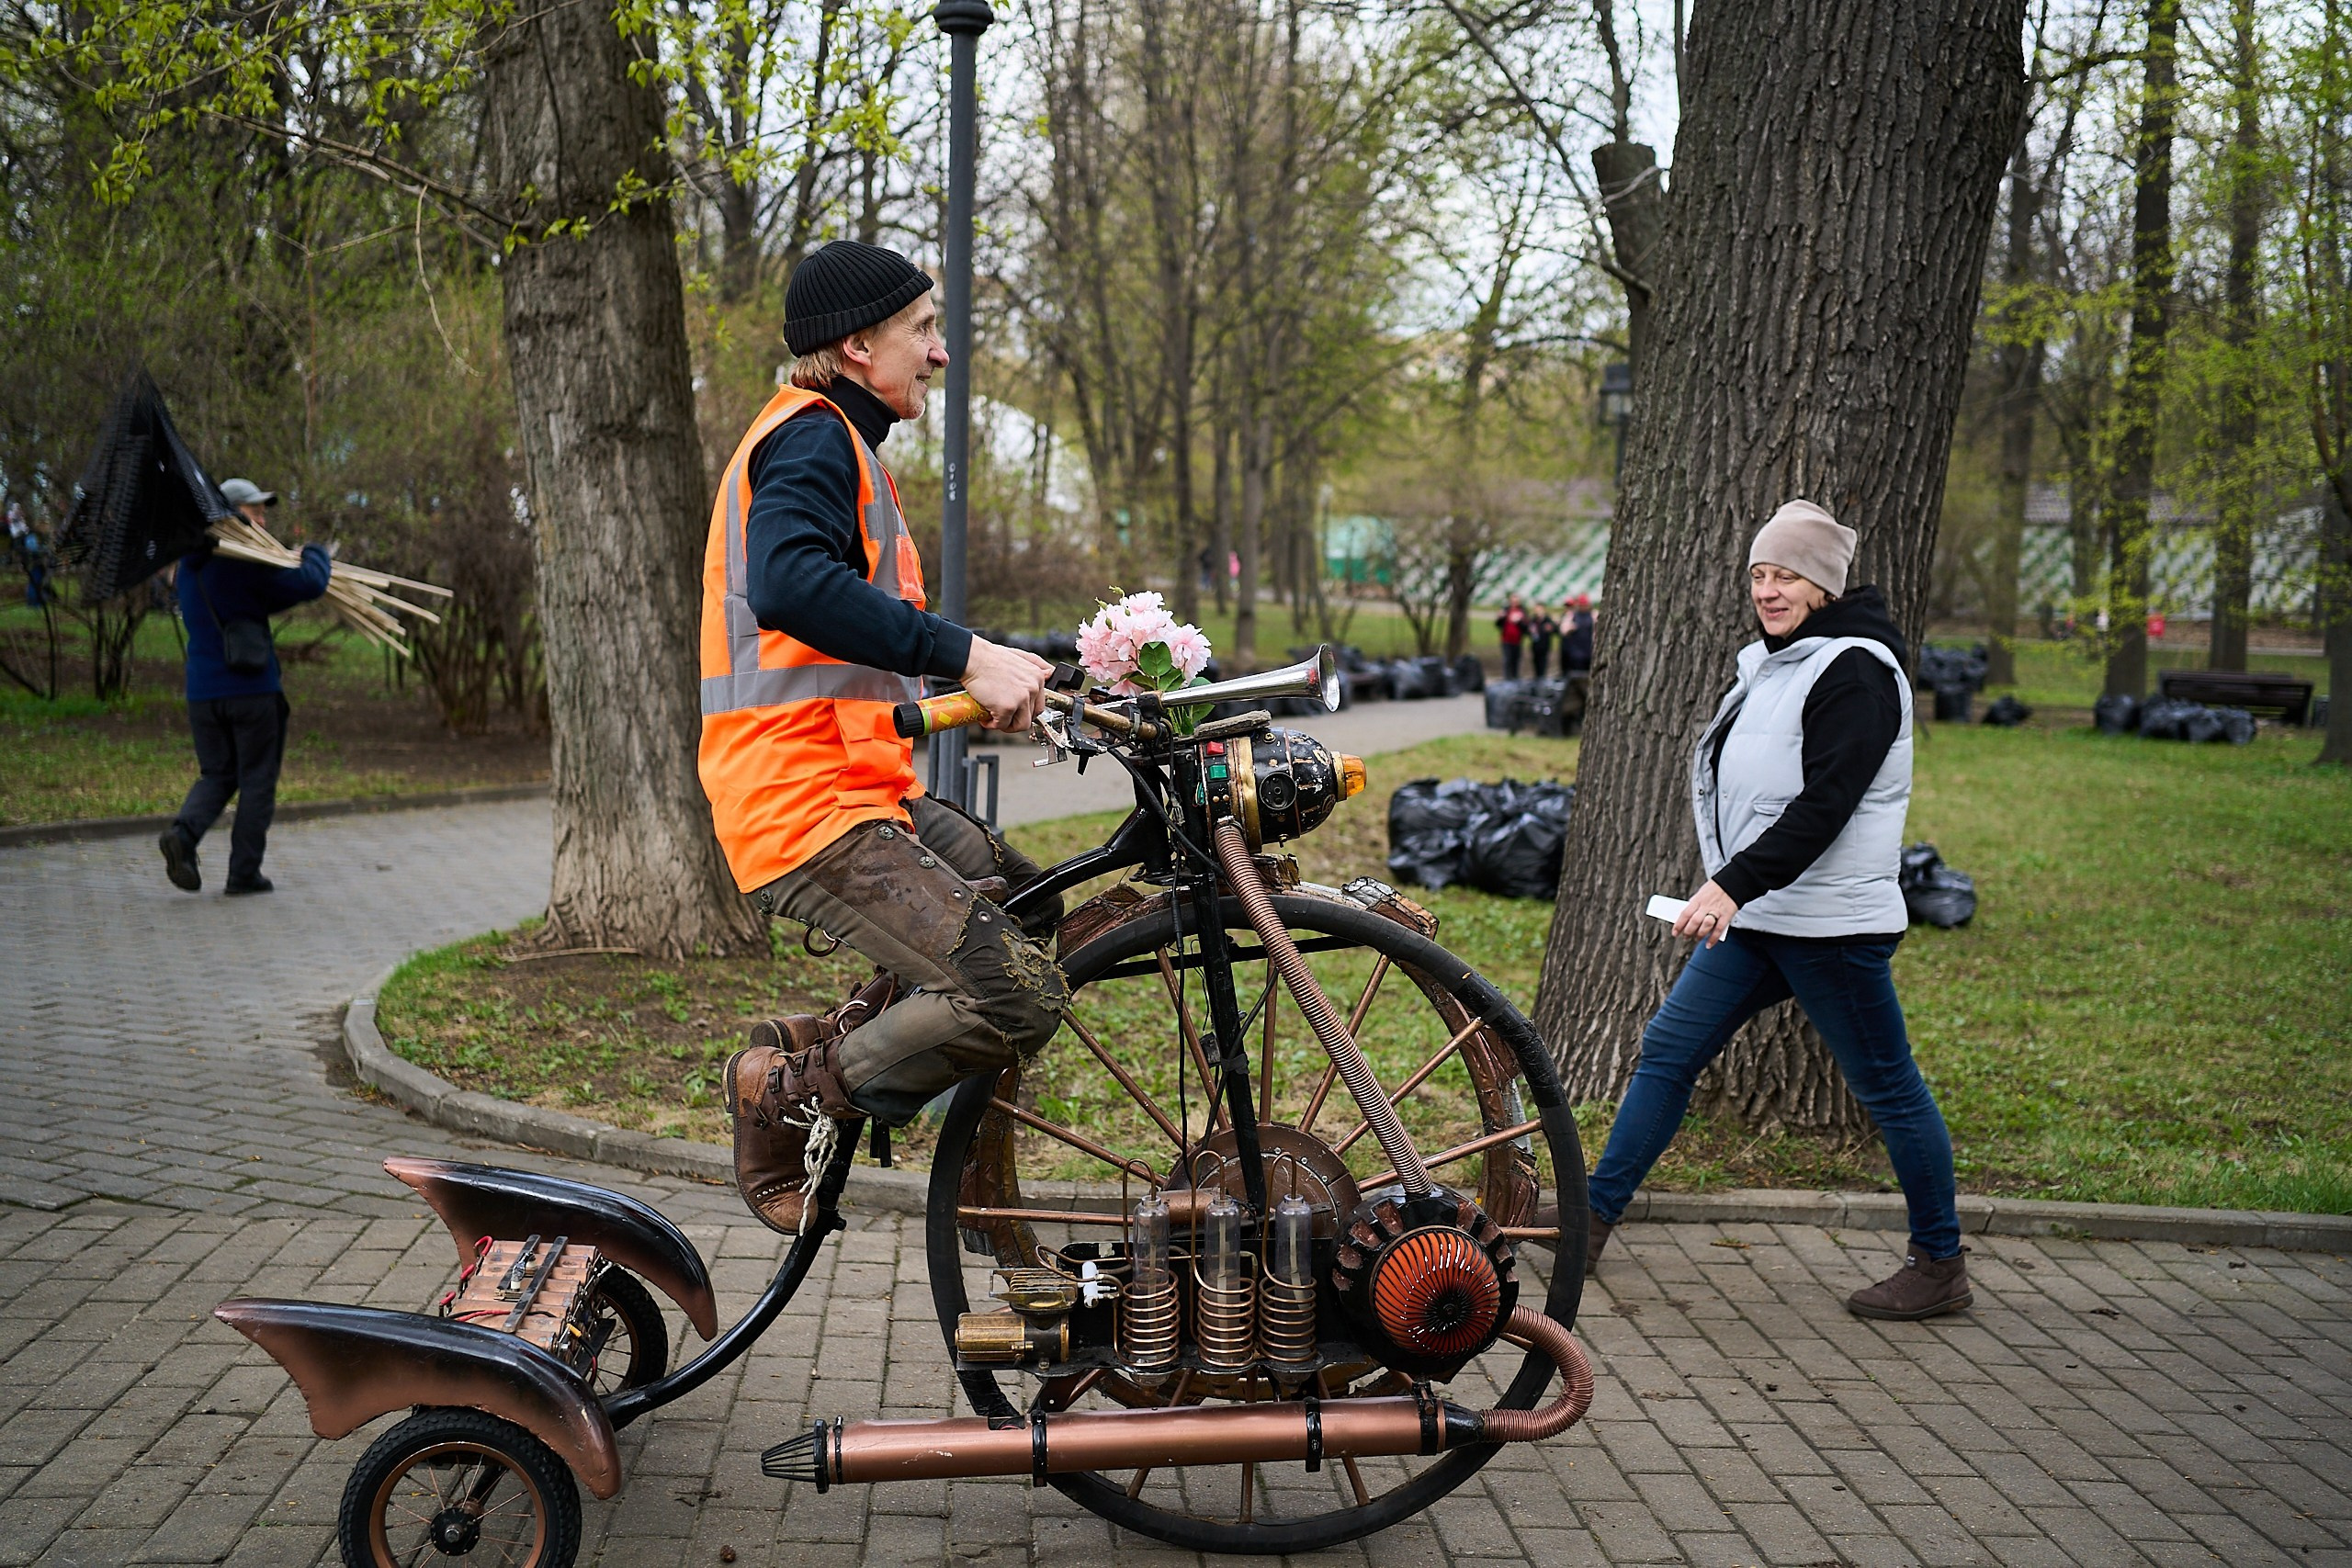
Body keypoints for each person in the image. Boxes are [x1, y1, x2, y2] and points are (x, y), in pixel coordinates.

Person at [702, 240, 1064, 1235]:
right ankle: (785, 1091)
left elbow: (857, 635)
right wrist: (963, 653)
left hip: (859, 789)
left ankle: (832, 1040)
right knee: (1016, 996)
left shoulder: (845, 447)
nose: (940, 353)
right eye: (924, 330)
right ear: (858, 345)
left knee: (1031, 904)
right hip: (802, 806)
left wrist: (1015, 664)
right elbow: (791, 586)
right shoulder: (813, 440)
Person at [1581, 500, 1969, 1321]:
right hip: (1764, 917)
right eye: (1759, 573)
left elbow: (1825, 803)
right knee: (1669, 1048)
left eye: (1786, 574)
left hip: (1831, 927)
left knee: (1889, 1087)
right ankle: (1588, 1221)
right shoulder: (1780, 662)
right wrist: (1741, 889)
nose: (1767, 589)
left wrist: (1730, 884)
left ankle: (1940, 1263)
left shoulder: (1856, 670)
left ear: (1824, 585)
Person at [158, 479, 331, 896]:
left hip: (203, 694)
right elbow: (309, 584)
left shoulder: (188, 569)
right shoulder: (243, 563)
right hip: (251, 691)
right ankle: (243, 873)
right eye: (255, 511)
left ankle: (183, 835)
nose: (262, 519)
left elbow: (264, 600)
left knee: (218, 773)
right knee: (257, 780)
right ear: (231, 514)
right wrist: (315, 553)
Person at [1495, 593, 1529, 680]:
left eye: (1516, 601)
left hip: (1517, 640)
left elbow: (1526, 627)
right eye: (1512, 601)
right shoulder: (1506, 610)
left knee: (1516, 660)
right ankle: (1507, 678)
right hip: (1506, 640)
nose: (1514, 603)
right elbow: (1498, 624)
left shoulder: (1522, 611)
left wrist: (1519, 621)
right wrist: (1500, 617)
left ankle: (1515, 678)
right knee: (1507, 660)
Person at [1561, 593, 1595, 674]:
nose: (1583, 607)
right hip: (1576, 651)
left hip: (1589, 650)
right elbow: (1563, 630)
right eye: (1581, 605)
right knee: (1576, 673)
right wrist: (1571, 628)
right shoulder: (1571, 616)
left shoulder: (1593, 615)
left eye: (1585, 605)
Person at [1529, 605, 1559, 681]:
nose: (1538, 612)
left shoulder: (1547, 620)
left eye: (1540, 610)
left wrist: (1552, 628)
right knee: (1536, 664)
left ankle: (1542, 680)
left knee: (1543, 664)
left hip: (1545, 646)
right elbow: (1528, 631)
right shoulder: (1533, 620)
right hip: (1535, 647)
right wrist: (1530, 631)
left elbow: (1556, 631)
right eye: (1537, 610)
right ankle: (1537, 680)